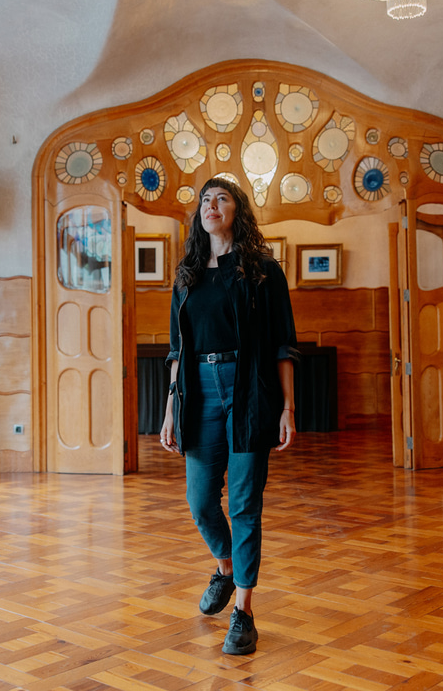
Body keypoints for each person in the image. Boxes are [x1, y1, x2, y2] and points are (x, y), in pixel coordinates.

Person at [160, 176, 299, 656]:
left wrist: (287, 407)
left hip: (249, 388)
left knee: (243, 504)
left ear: (238, 210)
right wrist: (170, 410)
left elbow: (283, 344)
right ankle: (225, 565)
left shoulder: (263, 270)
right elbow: (177, 350)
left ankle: (244, 611)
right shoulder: (186, 275)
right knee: (200, 500)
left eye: (221, 198)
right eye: (205, 199)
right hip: (198, 390)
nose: (211, 205)